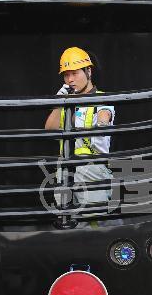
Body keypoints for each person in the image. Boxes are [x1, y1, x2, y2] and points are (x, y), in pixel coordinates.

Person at [44, 47, 114, 207]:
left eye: (75, 73)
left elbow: (104, 116)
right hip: (65, 169)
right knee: (66, 219)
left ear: (88, 71)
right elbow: (49, 129)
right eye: (66, 75)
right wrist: (59, 103)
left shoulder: (102, 98)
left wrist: (102, 121)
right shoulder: (65, 102)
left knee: (95, 221)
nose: (70, 79)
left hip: (92, 169)